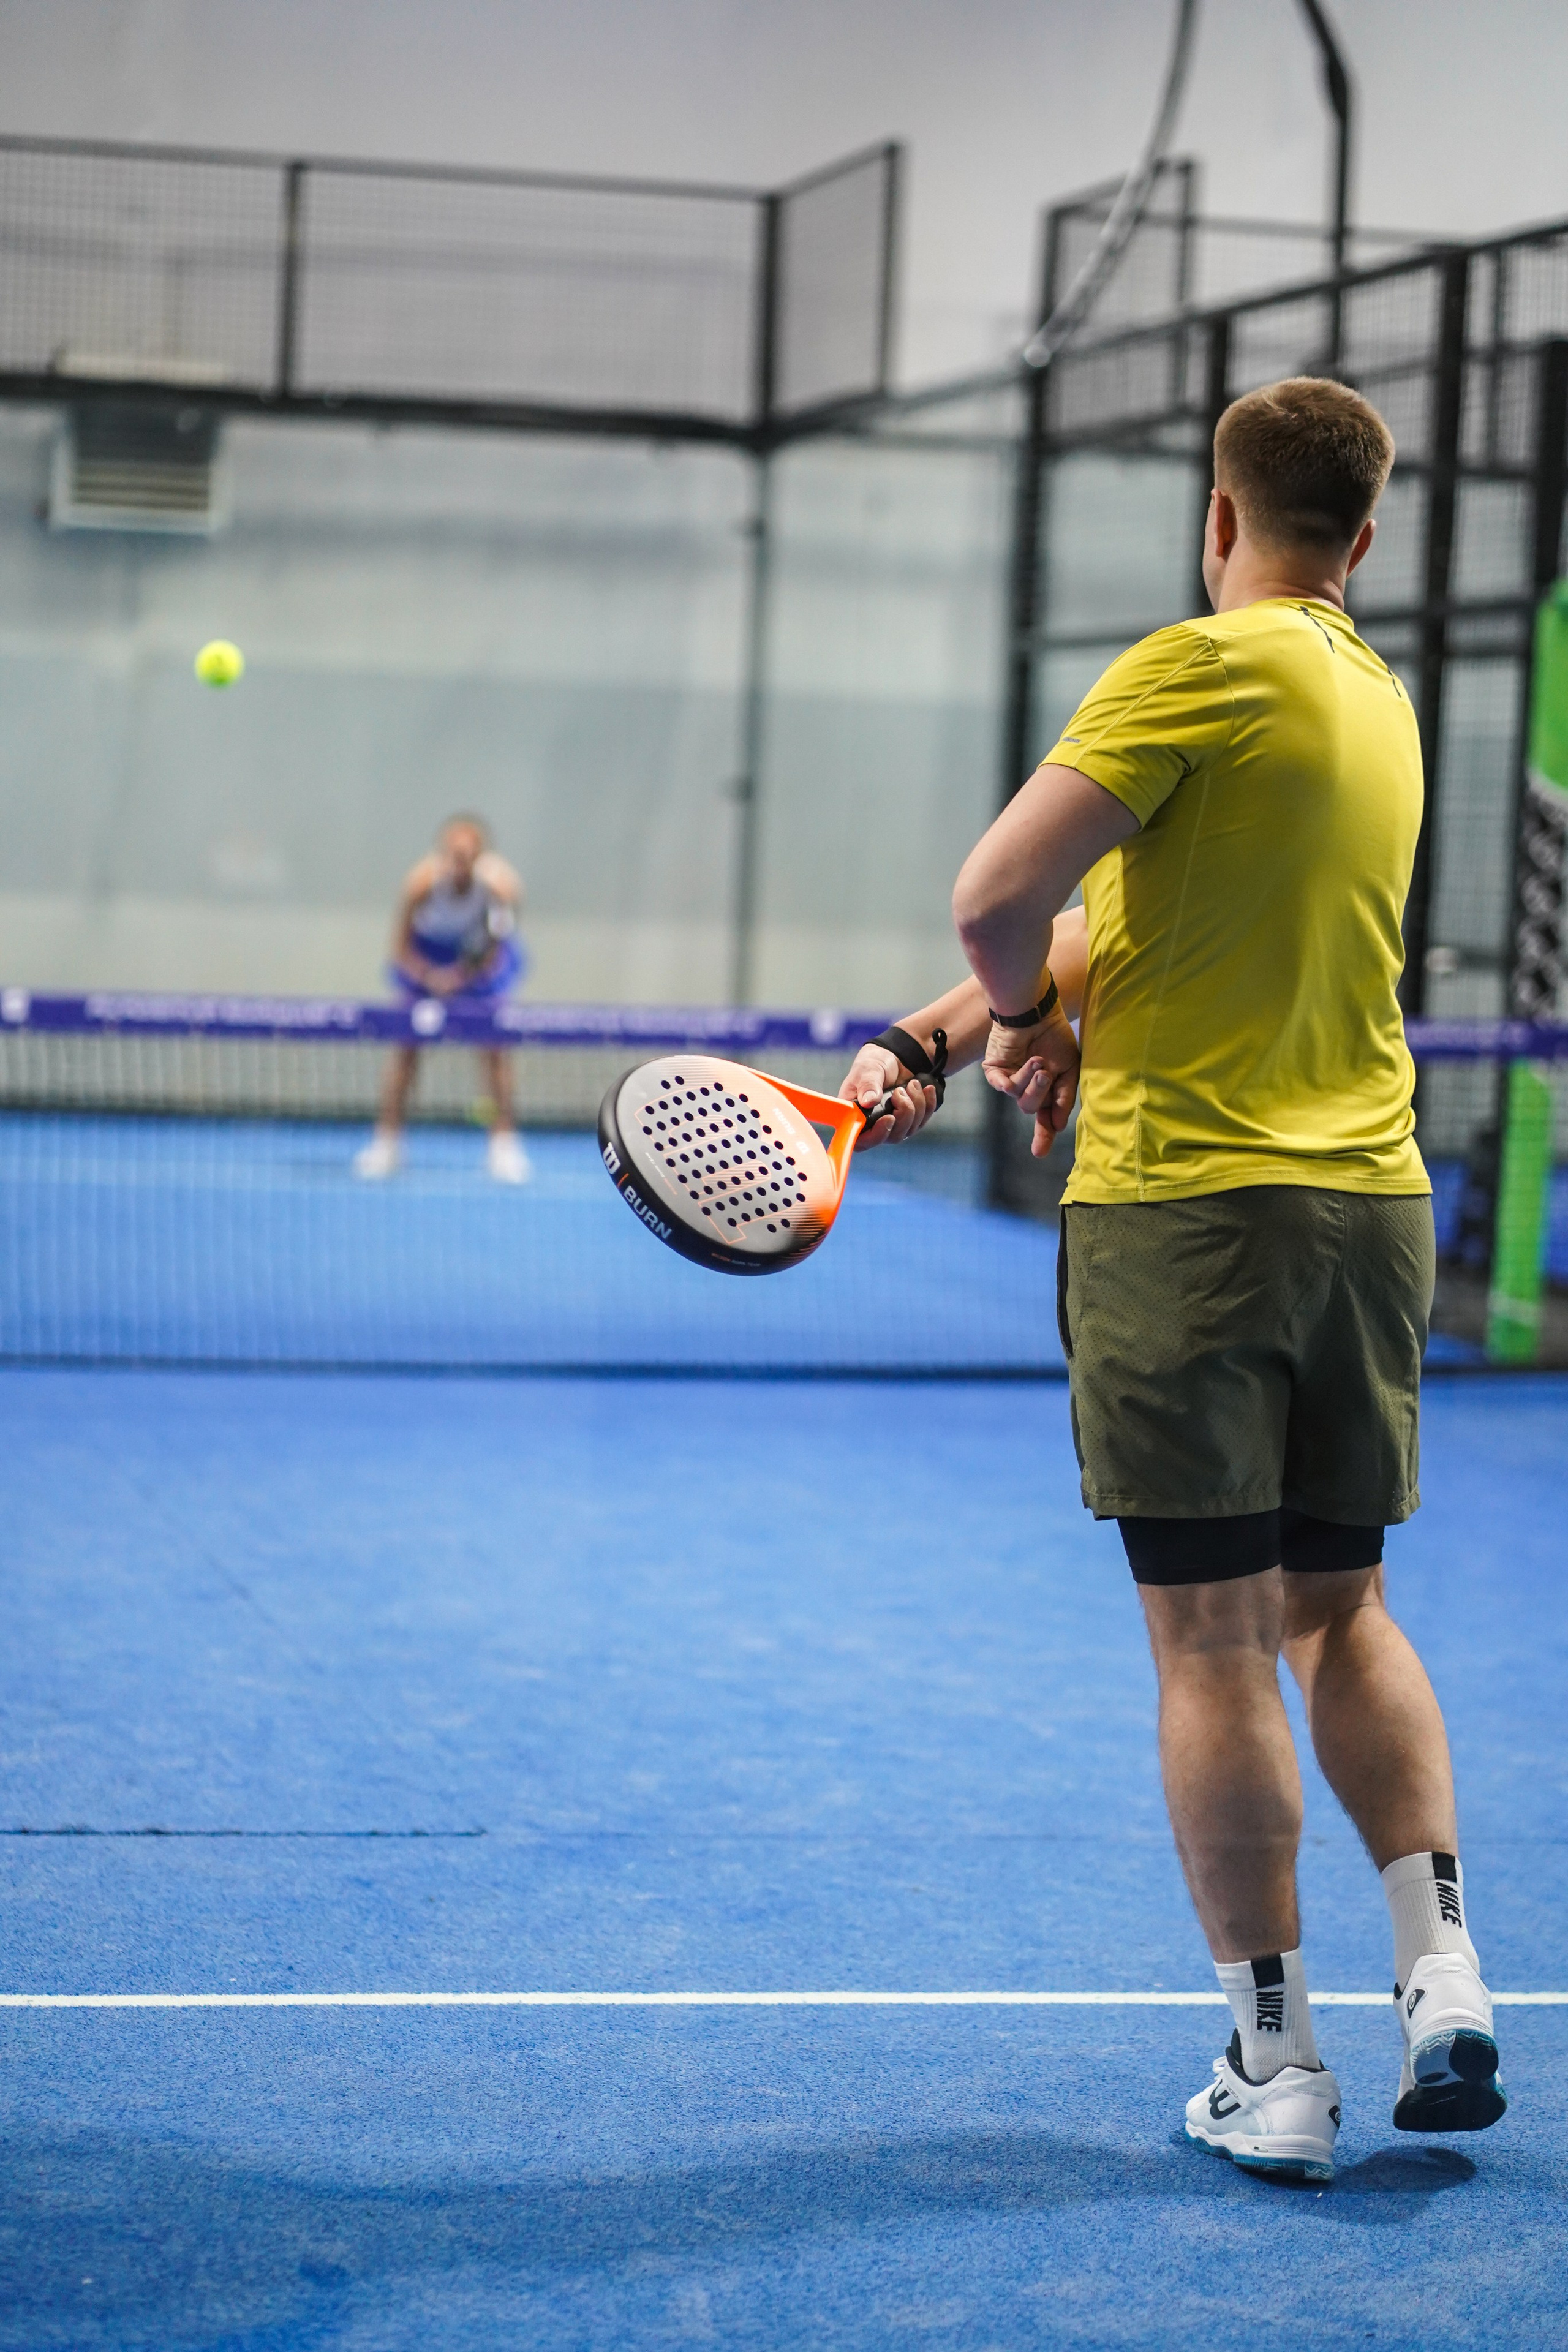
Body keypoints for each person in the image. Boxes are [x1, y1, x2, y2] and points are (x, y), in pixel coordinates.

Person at [839, 377, 1505, 2184]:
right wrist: (946, 1028)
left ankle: (1272, 2065)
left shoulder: (1189, 665)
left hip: (1186, 1216)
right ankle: (1440, 1970)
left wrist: (1026, 1009)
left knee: (1209, 1640)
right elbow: (1111, 925)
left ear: (1217, 520)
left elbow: (1000, 892)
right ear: (1358, 544)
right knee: (1339, 1612)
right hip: (1368, 1211)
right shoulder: (1371, 696)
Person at [354, 815, 530, 1183]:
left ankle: (504, 1147)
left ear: (481, 856)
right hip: (426, 963)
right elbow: (400, 947)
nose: (460, 861)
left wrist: (462, 976)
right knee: (405, 1052)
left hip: (477, 969)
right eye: (454, 853)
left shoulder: (501, 889)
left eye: (469, 854)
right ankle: (387, 1145)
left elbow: (498, 951)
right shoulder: (421, 884)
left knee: (495, 1051)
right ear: (443, 854)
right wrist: (430, 977)